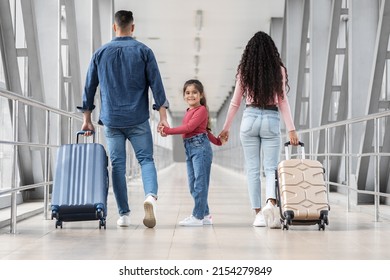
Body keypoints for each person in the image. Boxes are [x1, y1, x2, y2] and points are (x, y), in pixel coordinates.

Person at [78, 10, 169, 228]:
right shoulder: (144, 51)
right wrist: (163, 117)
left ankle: (124, 215)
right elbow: (157, 84)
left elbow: (89, 87)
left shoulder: (100, 53)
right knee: (146, 160)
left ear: (114, 27)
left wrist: (87, 118)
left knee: (117, 166)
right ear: (133, 28)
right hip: (137, 118)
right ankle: (150, 197)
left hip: (112, 119)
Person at [218, 31, 299, 229]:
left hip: (250, 118)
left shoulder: (245, 70)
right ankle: (270, 204)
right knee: (271, 168)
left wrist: (225, 128)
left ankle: (258, 215)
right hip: (271, 119)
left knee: (252, 170)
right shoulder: (278, 69)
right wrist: (291, 129)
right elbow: (283, 101)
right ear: (272, 51)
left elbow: (235, 103)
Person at [159, 79, 224, 226]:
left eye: (194, 92)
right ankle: (206, 214)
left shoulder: (201, 110)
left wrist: (168, 131)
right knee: (193, 185)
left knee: (200, 184)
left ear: (200, 95)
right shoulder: (189, 111)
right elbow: (205, 131)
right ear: (184, 96)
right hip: (189, 148)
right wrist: (218, 141)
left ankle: (197, 217)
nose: (191, 95)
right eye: (187, 93)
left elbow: (189, 128)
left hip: (200, 148)